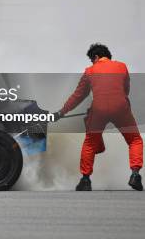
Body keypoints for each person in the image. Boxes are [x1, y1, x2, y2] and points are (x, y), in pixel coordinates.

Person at [54, 43, 143, 191]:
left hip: (99, 110)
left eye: (91, 60)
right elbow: (125, 89)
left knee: (89, 143)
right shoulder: (122, 67)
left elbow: (78, 96)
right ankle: (135, 175)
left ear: (96, 57)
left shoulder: (90, 71)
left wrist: (61, 112)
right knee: (134, 140)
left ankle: (86, 180)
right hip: (121, 108)